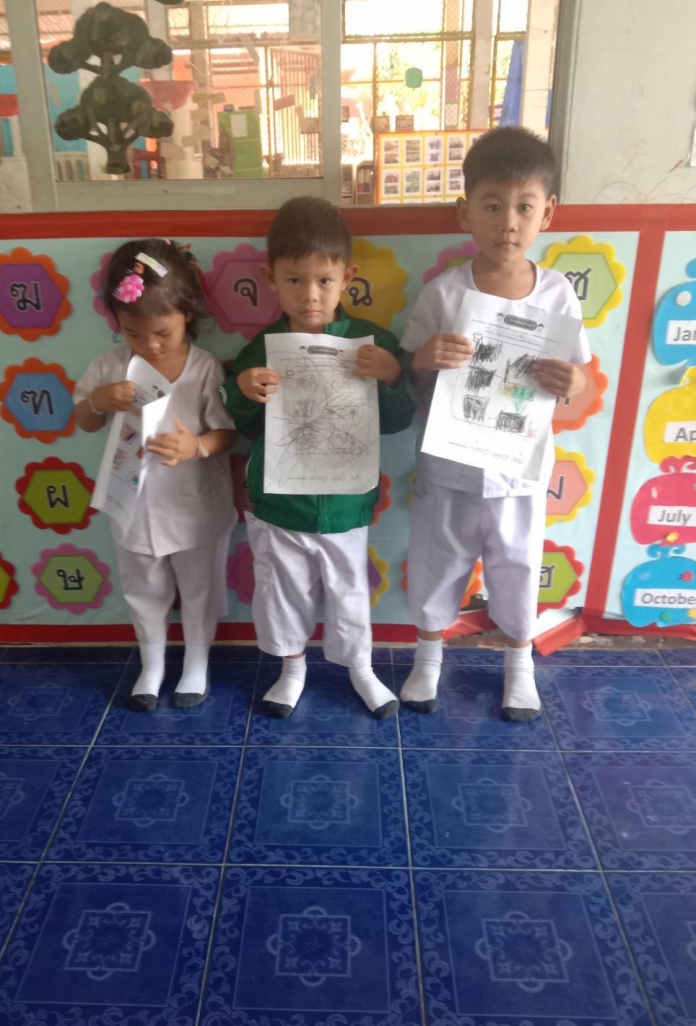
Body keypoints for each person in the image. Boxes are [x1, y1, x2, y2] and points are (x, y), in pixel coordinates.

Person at [400, 127, 590, 722]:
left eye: (524, 207)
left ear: (547, 213)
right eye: (492, 205)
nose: (508, 222)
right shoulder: (443, 293)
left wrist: (573, 382)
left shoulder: (557, 295)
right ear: (466, 212)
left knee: (518, 566)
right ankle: (427, 659)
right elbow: (410, 374)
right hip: (450, 466)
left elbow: (580, 379)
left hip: (519, 469)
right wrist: (425, 359)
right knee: (437, 563)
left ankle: (518, 666)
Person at [221, 197, 415, 719]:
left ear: (347, 276)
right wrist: (243, 389)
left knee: (349, 591)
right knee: (281, 591)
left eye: (324, 280)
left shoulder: (370, 343)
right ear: (270, 277)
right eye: (294, 280)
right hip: (280, 504)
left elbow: (397, 421)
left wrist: (391, 376)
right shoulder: (264, 347)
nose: (310, 295)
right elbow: (242, 422)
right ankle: (292, 668)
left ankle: (361, 668)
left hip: (346, 502)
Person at [75, 239, 236, 712]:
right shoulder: (110, 366)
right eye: (133, 333)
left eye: (162, 332)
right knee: (143, 589)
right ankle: (151, 664)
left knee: (200, 587)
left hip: (194, 504)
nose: (149, 345)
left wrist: (196, 446)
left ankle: (197, 663)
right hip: (132, 505)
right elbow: (85, 421)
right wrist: (98, 401)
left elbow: (227, 433)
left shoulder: (203, 368)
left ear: (188, 314)